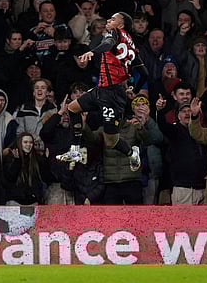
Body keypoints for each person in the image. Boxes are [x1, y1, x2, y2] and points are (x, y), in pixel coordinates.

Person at [57, 12, 147, 172]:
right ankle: (75, 151)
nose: (109, 20)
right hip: (104, 89)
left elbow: (108, 42)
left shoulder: (114, 33)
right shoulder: (131, 44)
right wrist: (135, 89)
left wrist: (93, 52)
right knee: (72, 108)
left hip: (112, 96)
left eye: (113, 19)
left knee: (111, 141)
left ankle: (132, 152)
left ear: (121, 25)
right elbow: (145, 73)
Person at [2, 132, 50, 205]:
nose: (28, 145)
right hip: (14, 201)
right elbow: (9, 178)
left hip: (33, 201)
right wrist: (17, 161)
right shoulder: (10, 156)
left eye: (31, 142)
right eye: (25, 142)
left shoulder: (36, 158)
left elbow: (45, 178)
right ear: (19, 143)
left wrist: (45, 160)